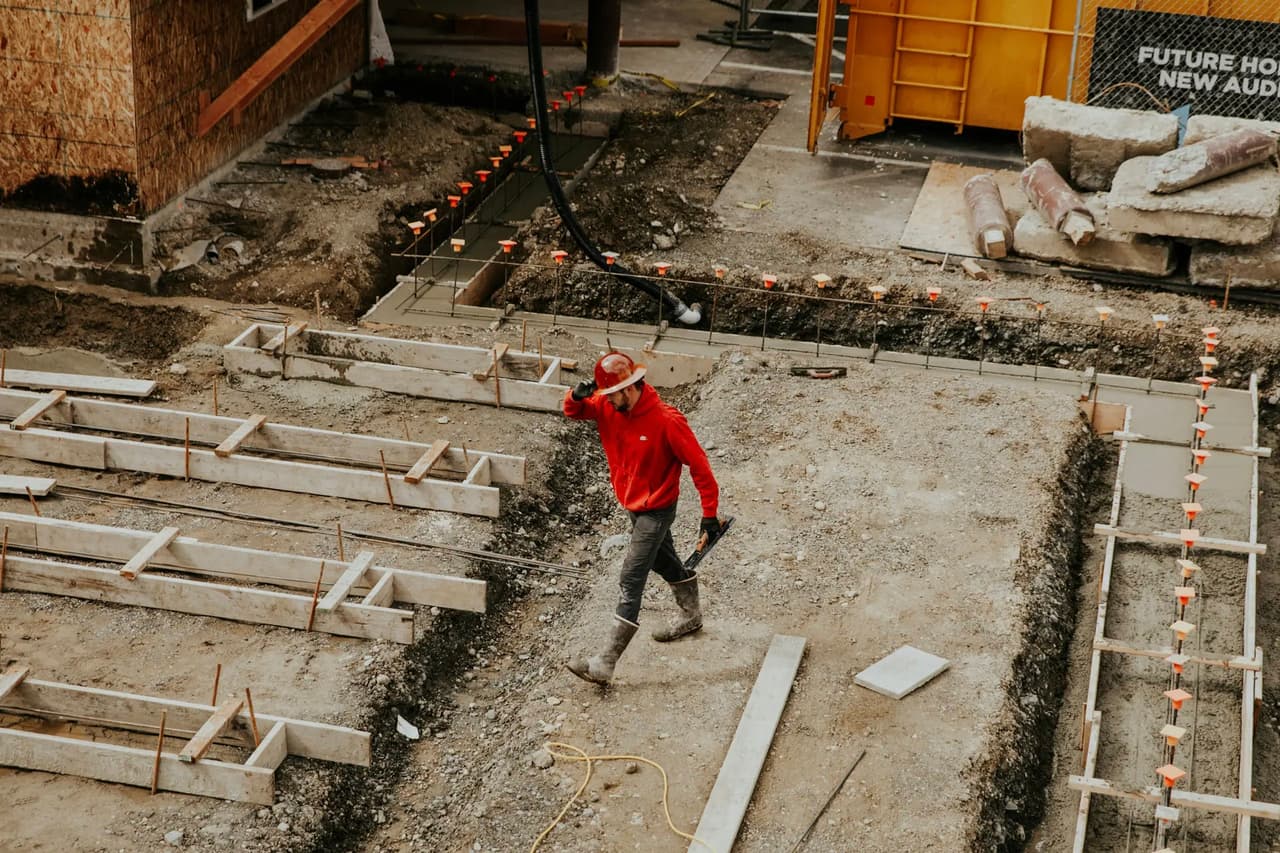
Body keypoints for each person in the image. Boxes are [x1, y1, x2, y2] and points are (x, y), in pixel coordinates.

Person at [562, 351, 725, 685]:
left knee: (631, 576)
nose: (605, 401)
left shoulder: (667, 421)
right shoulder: (609, 407)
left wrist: (709, 515)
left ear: (631, 386)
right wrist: (575, 395)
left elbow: (700, 467)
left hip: (657, 509)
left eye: (612, 394)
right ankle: (692, 615)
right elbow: (575, 411)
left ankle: (604, 664)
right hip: (632, 504)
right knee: (662, 562)